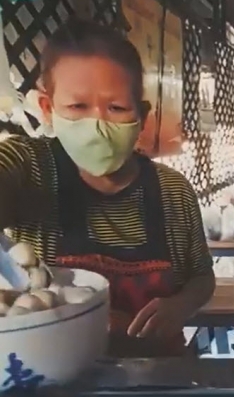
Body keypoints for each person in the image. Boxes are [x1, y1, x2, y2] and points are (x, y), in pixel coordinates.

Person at [0, 20, 215, 358]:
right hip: (55, 381)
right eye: (77, 108)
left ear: (142, 116)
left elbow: (202, 277)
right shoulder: (30, 167)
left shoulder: (173, 191)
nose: (97, 124)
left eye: (116, 108)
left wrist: (180, 306)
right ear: (47, 109)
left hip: (159, 374)